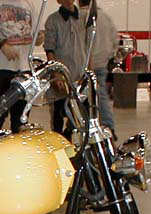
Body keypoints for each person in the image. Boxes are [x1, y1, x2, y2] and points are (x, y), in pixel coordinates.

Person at [0, 0, 44, 139]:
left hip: (24, 69)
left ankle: (18, 149)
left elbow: (39, 35)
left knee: (21, 118)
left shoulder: (29, 4)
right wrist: (2, 45)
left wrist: (40, 37)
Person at [44, 0, 89, 137]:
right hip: (61, 77)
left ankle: (74, 142)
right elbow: (49, 49)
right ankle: (59, 143)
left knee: (82, 117)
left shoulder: (84, 18)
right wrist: (56, 74)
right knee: (58, 117)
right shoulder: (52, 20)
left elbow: (89, 47)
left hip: (80, 76)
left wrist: (89, 73)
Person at [83, 0, 118, 139]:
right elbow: (115, 40)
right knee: (100, 94)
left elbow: (83, 42)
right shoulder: (105, 17)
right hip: (102, 63)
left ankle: (105, 125)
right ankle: (107, 126)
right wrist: (109, 56)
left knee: (84, 96)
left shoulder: (82, 17)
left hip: (87, 64)